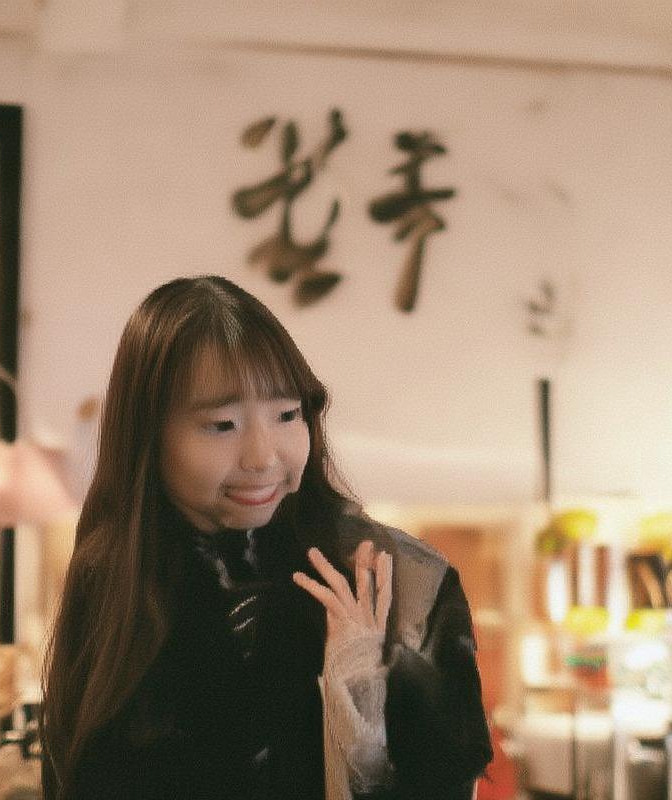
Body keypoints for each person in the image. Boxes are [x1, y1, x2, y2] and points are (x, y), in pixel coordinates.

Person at [40, 275, 492, 800]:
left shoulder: (398, 581)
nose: (263, 457)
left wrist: (360, 723)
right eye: (222, 425)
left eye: (286, 415)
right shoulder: (111, 574)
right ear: (148, 435)